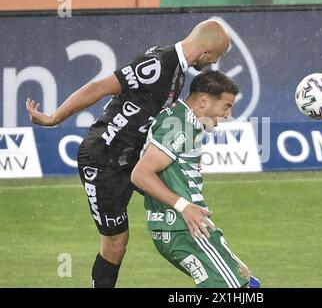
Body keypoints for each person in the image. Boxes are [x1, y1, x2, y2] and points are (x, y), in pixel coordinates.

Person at [25, 19, 230, 288]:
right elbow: (98, 88)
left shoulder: (177, 70)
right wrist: (54, 118)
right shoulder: (159, 65)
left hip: (129, 157)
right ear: (205, 52)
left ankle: (220, 273)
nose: (213, 63)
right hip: (103, 159)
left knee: (184, 201)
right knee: (115, 244)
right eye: (215, 57)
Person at [131, 71, 257, 288]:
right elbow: (141, 175)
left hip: (184, 229)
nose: (228, 115)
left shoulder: (182, 119)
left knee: (248, 284)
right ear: (204, 101)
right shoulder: (180, 123)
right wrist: (183, 206)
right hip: (185, 230)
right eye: (226, 106)